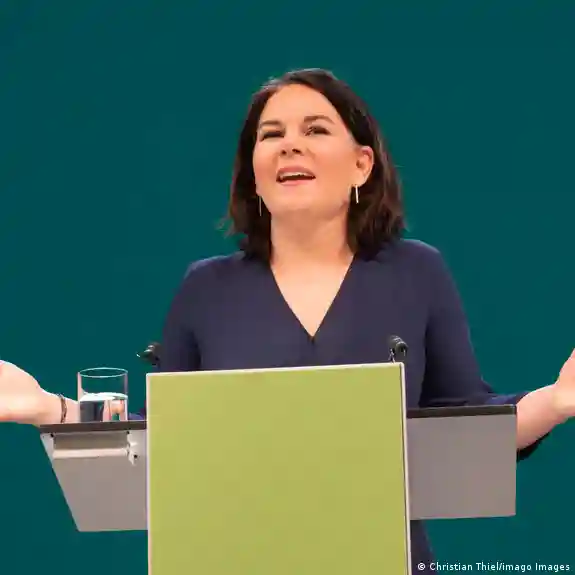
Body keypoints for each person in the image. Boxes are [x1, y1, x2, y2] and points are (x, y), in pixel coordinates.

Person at [0, 68, 573, 570]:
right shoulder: (206, 288)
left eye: (315, 130)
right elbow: (153, 443)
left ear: (361, 164)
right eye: (270, 135)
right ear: (253, 172)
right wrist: (50, 409)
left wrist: (557, 400)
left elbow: (468, 424)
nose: (289, 146)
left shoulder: (417, 272)